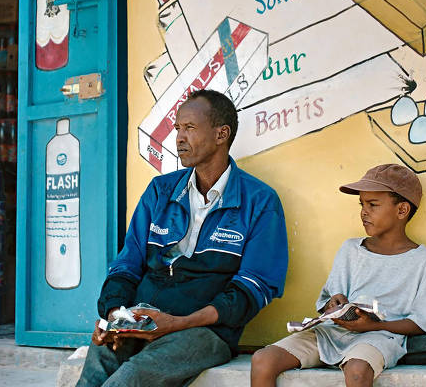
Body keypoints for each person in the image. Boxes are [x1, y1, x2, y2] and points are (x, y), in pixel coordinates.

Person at [76, 89, 289, 387]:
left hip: (205, 332)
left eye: (190, 128)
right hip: (143, 321)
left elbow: (253, 289)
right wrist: (116, 315)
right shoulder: (159, 191)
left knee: (131, 378)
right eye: (177, 128)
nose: (178, 137)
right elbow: (126, 265)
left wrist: (176, 324)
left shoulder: (259, 201)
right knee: (99, 357)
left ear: (221, 134)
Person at [251, 164, 426, 387]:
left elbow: (422, 323)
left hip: (380, 337)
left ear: (401, 210)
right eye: (362, 204)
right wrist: (335, 303)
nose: (364, 212)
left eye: (373, 205)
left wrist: (371, 327)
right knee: (263, 360)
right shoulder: (351, 249)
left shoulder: (422, 260)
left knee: (358, 371)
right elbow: (330, 300)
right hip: (332, 332)